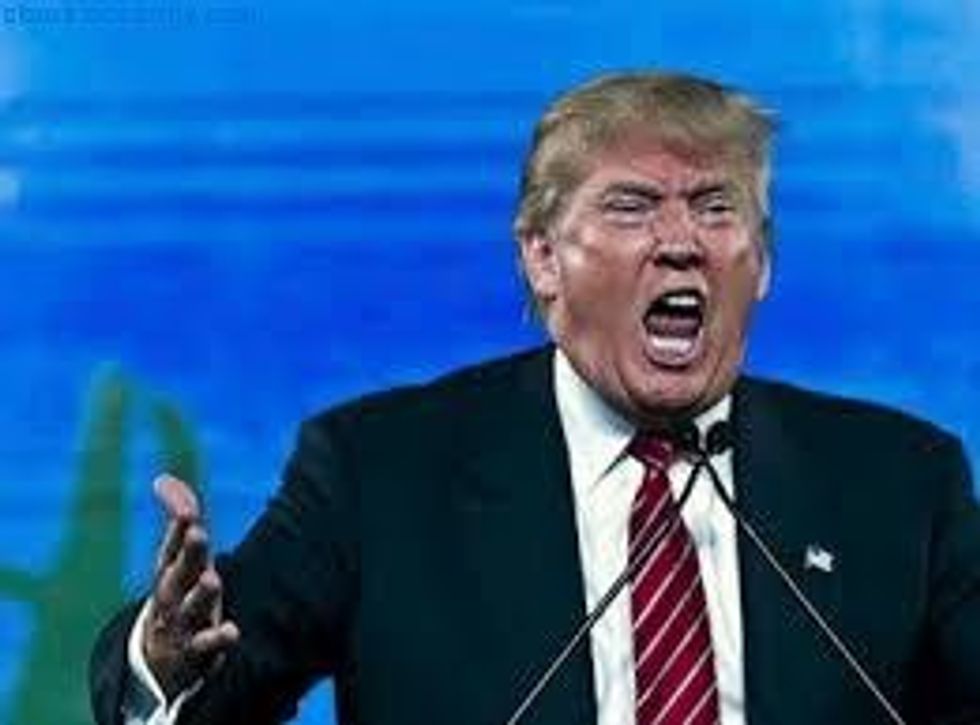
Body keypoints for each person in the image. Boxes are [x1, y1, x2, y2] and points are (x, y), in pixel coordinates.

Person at [89, 71, 980, 725]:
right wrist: (164, 656)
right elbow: (212, 685)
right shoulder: (379, 471)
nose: (681, 242)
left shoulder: (900, 480)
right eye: (633, 206)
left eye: (717, 208)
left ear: (765, 261)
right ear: (542, 258)